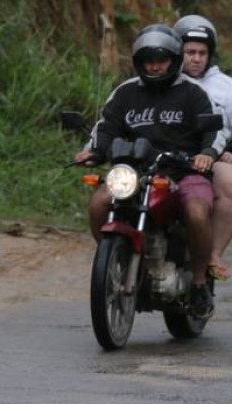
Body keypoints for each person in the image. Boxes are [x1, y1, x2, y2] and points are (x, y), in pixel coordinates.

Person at [74, 23, 221, 319]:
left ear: (173, 60)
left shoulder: (193, 93)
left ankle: (199, 282)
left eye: (161, 60)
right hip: (134, 171)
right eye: (148, 61)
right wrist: (93, 151)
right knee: (100, 202)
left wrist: (207, 154)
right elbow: (106, 128)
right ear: (138, 63)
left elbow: (214, 130)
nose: (154, 67)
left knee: (195, 212)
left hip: (184, 171)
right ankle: (113, 262)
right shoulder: (125, 93)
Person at [174, 14, 232, 282]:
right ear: (177, 52)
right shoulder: (161, 82)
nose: (196, 58)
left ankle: (214, 254)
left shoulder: (228, 88)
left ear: (210, 55)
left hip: (212, 157)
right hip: (166, 156)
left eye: (202, 53)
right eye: (189, 52)